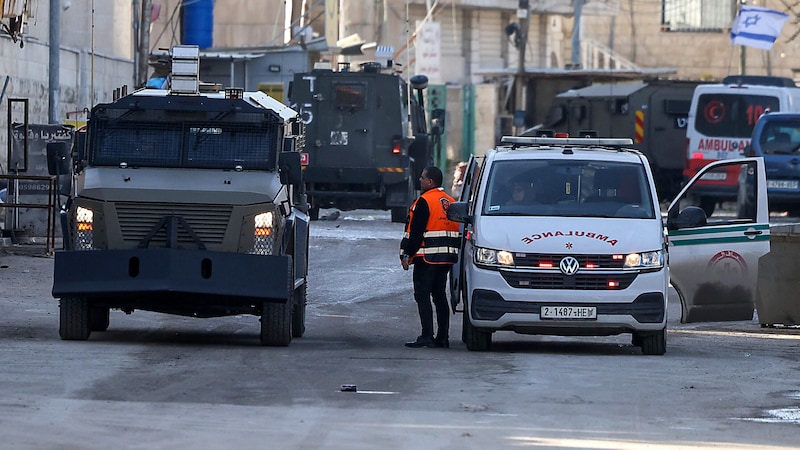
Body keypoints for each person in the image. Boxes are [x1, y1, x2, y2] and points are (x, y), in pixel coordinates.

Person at [400, 166, 461, 348]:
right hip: (446, 259)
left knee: (422, 295)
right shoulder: (450, 201)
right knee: (440, 296)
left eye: (422, 178)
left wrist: (407, 255)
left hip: (426, 259)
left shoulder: (424, 201)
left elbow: (415, 233)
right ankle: (442, 337)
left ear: (430, 182)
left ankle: (427, 335)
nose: (420, 180)